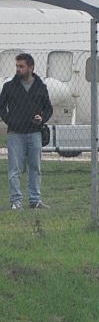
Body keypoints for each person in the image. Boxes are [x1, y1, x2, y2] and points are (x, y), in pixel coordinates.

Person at [1, 52, 53, 209]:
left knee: (35, 168)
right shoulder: (9, 86)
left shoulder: (40, 86)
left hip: (34, 132)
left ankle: (35, 200)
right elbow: (1, 107)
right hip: (15, 133)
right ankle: (16, 201)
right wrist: (10, 120)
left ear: (30, 67)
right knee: (14, 169)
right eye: (17, 66)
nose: (18, 69)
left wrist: (42, 118)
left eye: (21, 66)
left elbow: (48, 108)